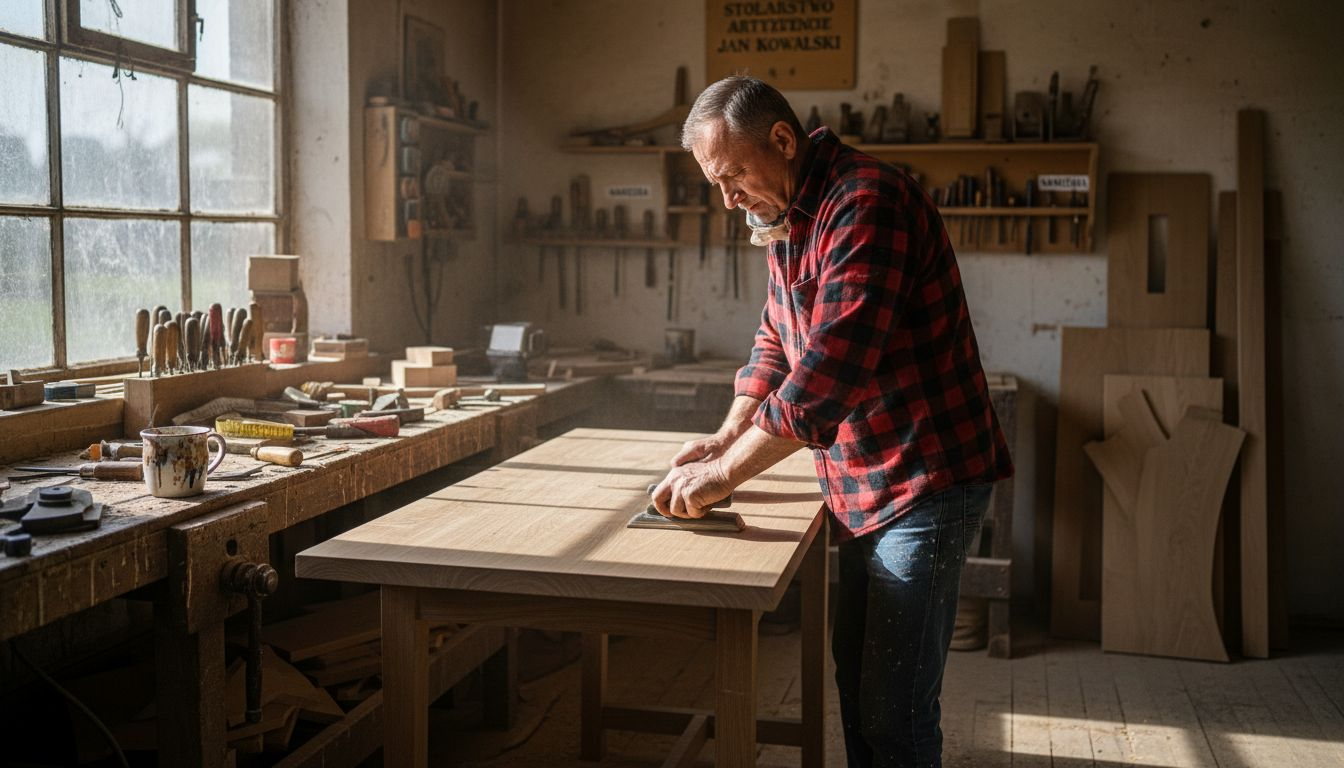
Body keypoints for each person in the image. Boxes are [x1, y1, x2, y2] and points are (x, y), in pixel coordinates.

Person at [650, 76, 1014, 768]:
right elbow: (774, 341)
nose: (728, 200)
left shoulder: (864, 205)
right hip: (863, 482)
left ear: (783, 141)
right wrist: (728, 434)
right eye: (715, 185)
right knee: (860, 675)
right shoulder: (790, 213)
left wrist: (722, 477)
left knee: (896, 706)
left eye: (731, 177)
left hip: (924, 481)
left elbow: (823, 380)